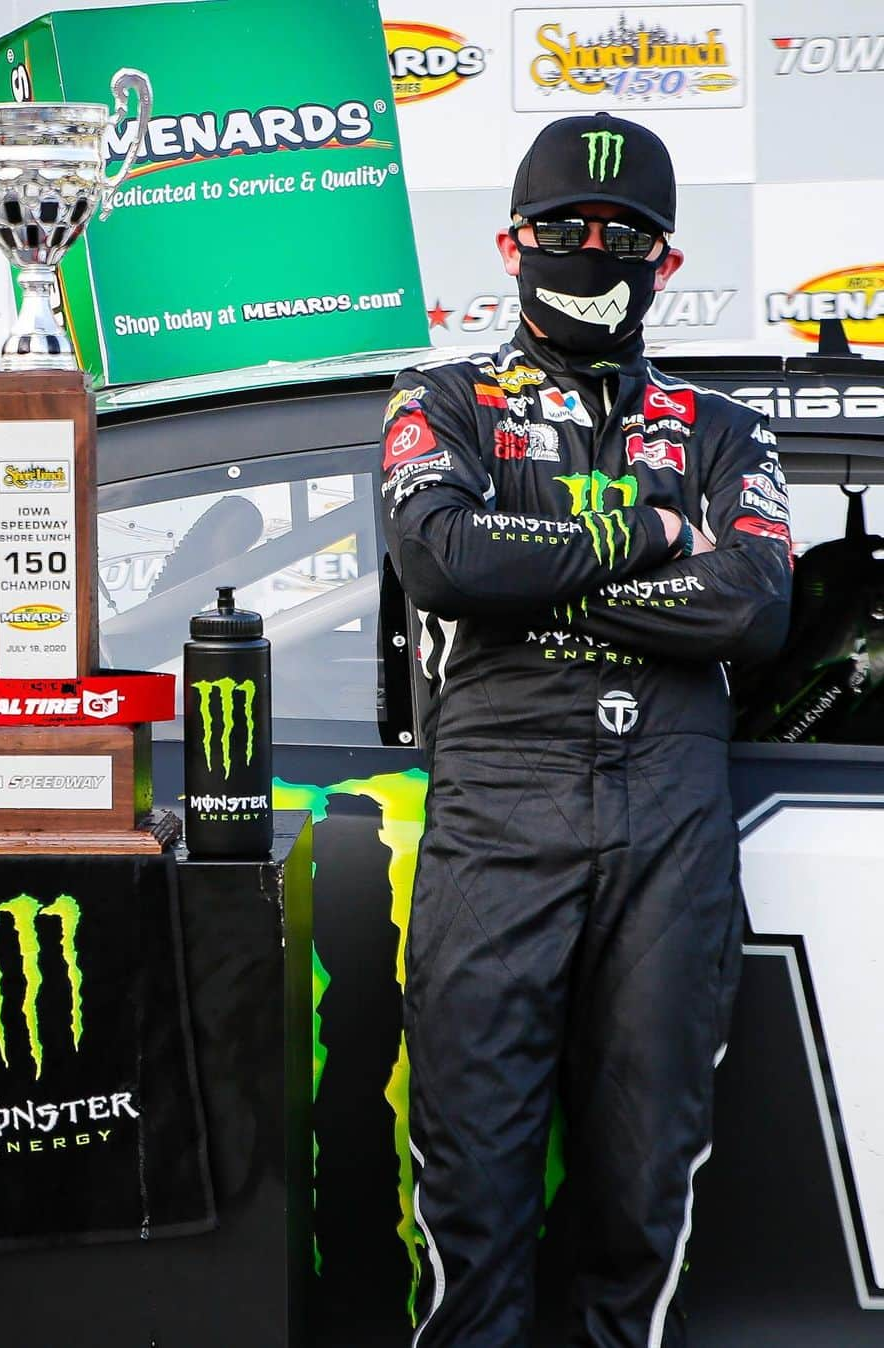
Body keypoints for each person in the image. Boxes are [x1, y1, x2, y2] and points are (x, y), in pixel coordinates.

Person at [381, 111, 793, 1347]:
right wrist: (661, 535)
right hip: (499, 810)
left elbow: (757, 602)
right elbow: (442, 558)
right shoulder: (442, 397)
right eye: (569, 227)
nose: (596, 247)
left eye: (628, 234)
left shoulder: (723, 428)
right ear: (513, 242)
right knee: (472, 1189)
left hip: (671, 822)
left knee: (642, 1182)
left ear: (666, 264)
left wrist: (546, 569)